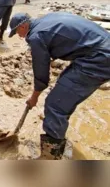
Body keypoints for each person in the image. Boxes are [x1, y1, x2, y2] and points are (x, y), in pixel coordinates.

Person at [8, 12, 110, 160]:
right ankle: (57, 136)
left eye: (18, 32)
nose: (20, 36)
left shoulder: (36, 36)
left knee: (55, 105)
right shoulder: (44, 20)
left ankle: (50, 157)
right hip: (98, 50)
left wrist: (34, 97)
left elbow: (41, 71)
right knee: (63, 88)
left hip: (98, 59)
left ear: (24, 26)